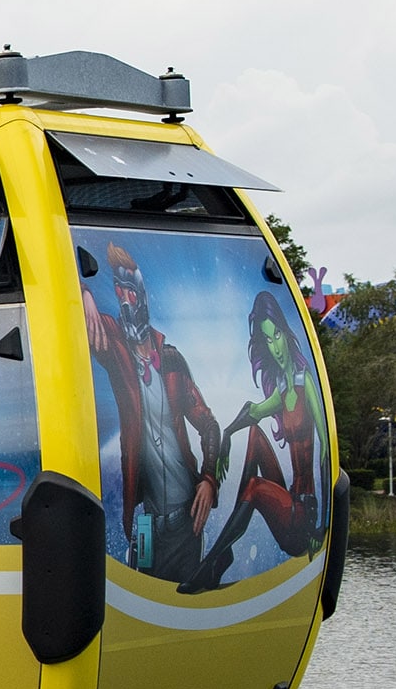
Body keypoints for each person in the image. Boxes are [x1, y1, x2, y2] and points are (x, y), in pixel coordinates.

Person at [83, 242, 222, 585]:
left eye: (131, 291)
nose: (125, 301)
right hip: (145, 520)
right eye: (119, 292)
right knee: (146, 595)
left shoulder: (171, 358)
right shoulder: (116, 349)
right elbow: (69, 308)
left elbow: (209, 426)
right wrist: (84, 294)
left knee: (182, 604)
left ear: (143, 295)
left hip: (186, 520)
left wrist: (208, 479)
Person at [186, 289, 325, 592]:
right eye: (268, 339)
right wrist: (226, 434)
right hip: (290, 504)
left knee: (255, 487)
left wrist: (322, 526)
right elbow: (253, 413)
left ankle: (212, 562)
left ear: (286, 334)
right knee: (254, 434)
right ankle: (222, 556)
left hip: (303, 520)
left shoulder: (305, 382)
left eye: (278, 336)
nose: (275, 346)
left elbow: (325, 453)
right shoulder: (281, 389)